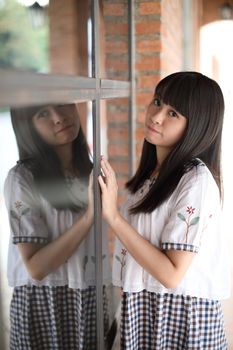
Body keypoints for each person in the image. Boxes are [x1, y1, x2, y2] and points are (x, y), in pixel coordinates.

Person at [98, 71, 231, 349]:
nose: (156, 116)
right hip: (147, 308)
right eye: (158, 102)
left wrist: (112, 216)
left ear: (198, 125)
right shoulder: (152, 177)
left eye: (173, 113)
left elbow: (172, 274)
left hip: (180, 316)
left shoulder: (195, 179)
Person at [4, 103, 109, 349]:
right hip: (45, 301)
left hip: (89, 296)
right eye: (43, 114)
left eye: (62, 104)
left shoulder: (92, 171)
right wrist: (88, 217)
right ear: (26, 126)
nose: (59, 117)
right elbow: (36, 268)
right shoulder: (21, 178)